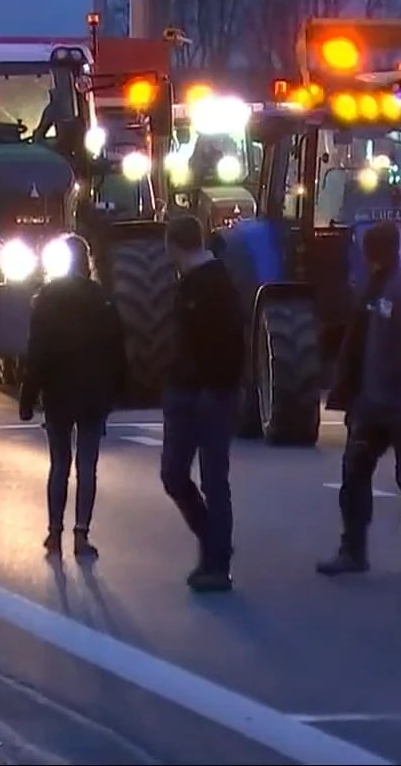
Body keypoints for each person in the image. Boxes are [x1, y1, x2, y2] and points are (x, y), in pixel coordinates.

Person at [317, 221, 401, 577]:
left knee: (398, 475)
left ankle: (389, 551)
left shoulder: (395, 292)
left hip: (393, 404)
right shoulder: (380, 289)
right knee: (386, 475)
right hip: (390, 402)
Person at [19, 235, 126, 558]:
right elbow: (116, 349)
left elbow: (36, 351)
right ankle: (81, 535)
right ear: (87, 260)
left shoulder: (46, 299)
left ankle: (54, 534)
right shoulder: (101, 298)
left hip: (58, 393)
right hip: (94, 394)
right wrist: (117, 390)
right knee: (87, 466)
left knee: (59, 465)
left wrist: (28, 397)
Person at [160, 214, 245, 592]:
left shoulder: (214, 284)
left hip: (211, 394)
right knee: (174, 474)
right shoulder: (188, 282)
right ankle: (214, 541)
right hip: (184, 390)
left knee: (213, 478)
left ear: (172, 245)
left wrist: (217, 387)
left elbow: (228, 345)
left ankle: (217, 561)